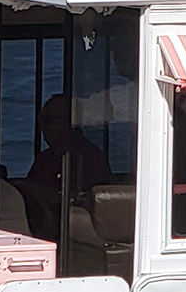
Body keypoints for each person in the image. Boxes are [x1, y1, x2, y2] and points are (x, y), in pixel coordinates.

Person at [16, 91, 113, 246]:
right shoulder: (45, 158)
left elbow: (81, 201)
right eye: (41, 120)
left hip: (68, 236)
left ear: (71, 123)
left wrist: (32, 189)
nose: (42, 127)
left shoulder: (89, 158)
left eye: (49, 121)